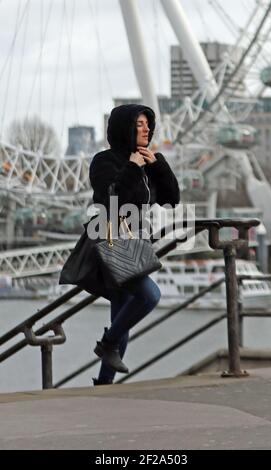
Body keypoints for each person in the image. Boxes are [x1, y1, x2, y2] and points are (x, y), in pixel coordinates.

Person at [83, 103, 180, 385]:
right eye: (139, 124)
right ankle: (108, 343)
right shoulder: (105, 161)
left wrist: (158, 165)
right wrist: (131, 168)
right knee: (149, 295)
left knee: (123, 308)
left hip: (135, 244)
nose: (146, 129)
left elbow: (172, 199)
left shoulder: (147, 161)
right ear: (124, 128)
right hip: (109, 241)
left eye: (147, 124)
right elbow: (111, 199)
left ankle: (104, 384)